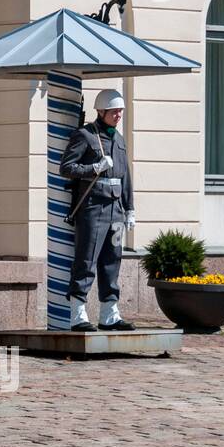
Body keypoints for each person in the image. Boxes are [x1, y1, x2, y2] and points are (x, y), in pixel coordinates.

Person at [58, 88, 137, 332]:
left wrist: (130, 208)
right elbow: (67, 168)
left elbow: (125, 177)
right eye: (114, 111)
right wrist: (94, 168)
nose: (118, 115)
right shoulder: (85, 135)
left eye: (120, 111)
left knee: (112, 260)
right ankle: (78, 313)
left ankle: (109, 313)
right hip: (92, 207)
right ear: (101, 111)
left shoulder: (119, 140)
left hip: (115, 208)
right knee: (86, 258)